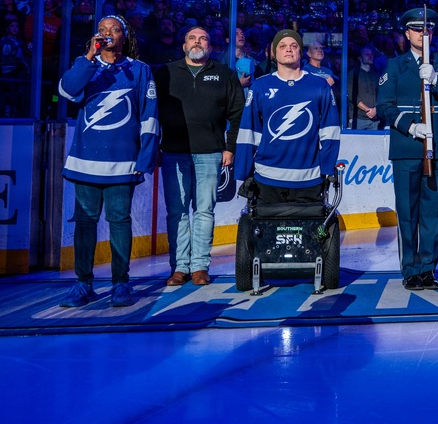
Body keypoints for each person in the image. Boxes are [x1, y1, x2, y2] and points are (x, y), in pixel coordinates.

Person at [57, 15, 158, 307]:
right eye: (101, 30)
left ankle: (120, 284)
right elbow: (66, 91)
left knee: (119, 221)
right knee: (85, 223)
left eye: (113, 29)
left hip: (123, 163)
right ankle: (83, 284)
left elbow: (150, 115)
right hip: (86, 161)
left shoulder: (139, 70)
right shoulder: (88, 66)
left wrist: (146, 155)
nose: (107, 34)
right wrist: (88, 56)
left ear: (124, 36)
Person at [377, 8, 438, 291]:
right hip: (406, 147)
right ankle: (410, 269)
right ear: (407, 33)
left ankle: (427, 268)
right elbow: (385, 107)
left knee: (434, 212)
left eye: (427, 29)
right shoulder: (395, 66)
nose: (422, 33)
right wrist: (411, 127)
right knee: (407, 211)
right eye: (416, 29)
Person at [155, 27, 244, 287]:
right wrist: (153, 147)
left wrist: (230, 148)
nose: (197, 42)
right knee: (177, 212)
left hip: (210, 153)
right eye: (192, 38)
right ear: (184, 46)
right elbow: (151, 113)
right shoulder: (165, 73)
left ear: (210, 45)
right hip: (173, 153)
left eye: (203, 38)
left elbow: (237, 114)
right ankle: (180, 267)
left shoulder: (225, 75)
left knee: (204, 211)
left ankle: (200, 267)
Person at [234, 29, 340, 214]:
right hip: (267, 179)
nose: (288, 50)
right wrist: (244, 172)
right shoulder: (260, 86)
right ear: (274, 53)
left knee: (311, 241)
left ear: (300, 52)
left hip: (309, 179)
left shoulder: (319, 85)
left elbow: (330, 131)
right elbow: (248, 131)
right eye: (282, 46)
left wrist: (327, 168)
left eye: (293, 46)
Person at [348, 46, 380, 129]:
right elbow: (352, 95)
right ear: (360, 58)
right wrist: (368, 110)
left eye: (371, 54)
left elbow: (381, 94)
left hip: (375, 118)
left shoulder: (376, 75)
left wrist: (375, 110)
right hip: (358, 119)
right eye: (366, 54)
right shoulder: (353, 74)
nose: (370, 56)